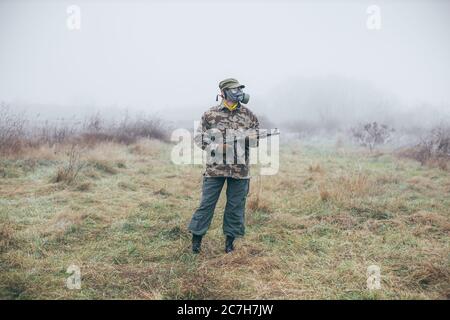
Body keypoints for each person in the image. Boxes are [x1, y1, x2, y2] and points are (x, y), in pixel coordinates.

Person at [188, 78, 259, 254]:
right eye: (234, 90)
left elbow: (257, 137)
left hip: (240, 171)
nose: (238, 93)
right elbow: (199, 138)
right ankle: (196, 242)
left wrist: (252, 138)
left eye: (240, 89)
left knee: (235, 207)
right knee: (206, 205)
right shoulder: (210, 114)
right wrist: (217, 147)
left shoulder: (249, 115)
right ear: (224, 92)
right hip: (215, 169)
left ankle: (229, 244)